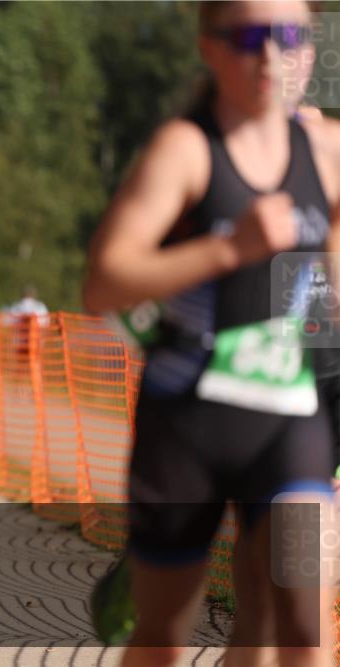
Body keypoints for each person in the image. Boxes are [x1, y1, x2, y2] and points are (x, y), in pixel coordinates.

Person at [83, 3, 340, 665]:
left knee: (305, 623)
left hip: (290, 420)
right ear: (210, 48)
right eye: (250, 37)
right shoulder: (187, 147)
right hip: (189, 421)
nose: (271, 56)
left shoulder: (326, 148)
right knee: (165, 634)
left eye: (289, 36)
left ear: (310, 48)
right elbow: (105, 281)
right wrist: (231, 248)